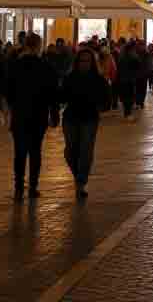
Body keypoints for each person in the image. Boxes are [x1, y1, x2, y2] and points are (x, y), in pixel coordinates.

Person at [5, 32, 58, 201]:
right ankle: (33, 186)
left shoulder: (15, 65)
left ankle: (19, 187)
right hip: (38, 114)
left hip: (20, 114)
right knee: (35, 151)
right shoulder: (45, 66)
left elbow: (8, 90)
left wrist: (12, 106)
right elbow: (52, 93)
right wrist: (54, 114)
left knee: (19, 153)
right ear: (38, 45)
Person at [61, 47, 111, 199]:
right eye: (82, 61)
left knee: (86, 151)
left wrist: (102, 106)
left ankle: (81, 182)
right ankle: (78, 176)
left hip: (89, 118)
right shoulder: (70, 78)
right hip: (71, 118)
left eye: (88, 61)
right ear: (77, 62)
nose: (85, 64)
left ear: (93, 63)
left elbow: (106, 98)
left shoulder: (98, 79)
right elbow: (62, 96)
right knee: (70, 151)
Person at [115, 41, 140, 120]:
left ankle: (127, 112)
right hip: (129, 79)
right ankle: (128, 113)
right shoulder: (131, 56)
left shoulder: (122, 56)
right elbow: (137, 66)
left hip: (124, 79)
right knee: (129, 96)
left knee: (127, 96)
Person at [133, 40, 149, 111]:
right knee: (137, 88)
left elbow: (148, 64)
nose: (141, 46)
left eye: (142, 45)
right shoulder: (135, 53)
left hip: (143, 74)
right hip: (137, 74)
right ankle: (138, 102)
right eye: (140, 45)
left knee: (142, 88)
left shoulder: (146, 53)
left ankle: (141, 102)